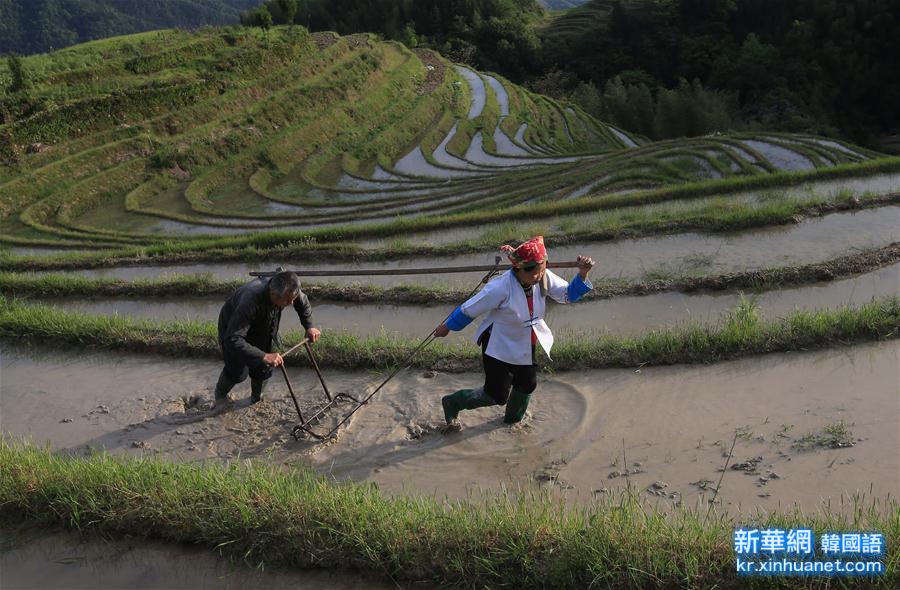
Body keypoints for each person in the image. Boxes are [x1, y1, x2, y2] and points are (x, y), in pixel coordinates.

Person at [433, 236, 594, 431]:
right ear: (518, 269)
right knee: (496, 395)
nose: (538, 276)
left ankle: (513, 422)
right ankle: (453, 402)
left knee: (527, 384)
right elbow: (470, 308)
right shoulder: (500, 287)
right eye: (534, 272)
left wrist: (582, 274)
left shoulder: (543, 275)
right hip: (498, 344)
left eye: (542, 269)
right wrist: (447, 326)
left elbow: (567, 295)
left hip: (526, 340)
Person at [214, 270, 321, 406]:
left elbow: (302, 302)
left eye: (292, 299)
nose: (292, 303)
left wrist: (309, 326)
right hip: (233, 327)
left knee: (264, 366)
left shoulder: (289, 290)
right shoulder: (250, 301)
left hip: (263, 322)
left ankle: (256, 399)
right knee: (237, 371)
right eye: (288, 301)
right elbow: (233, 339)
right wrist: (263, 356)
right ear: (273, 294)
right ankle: (220, 396)